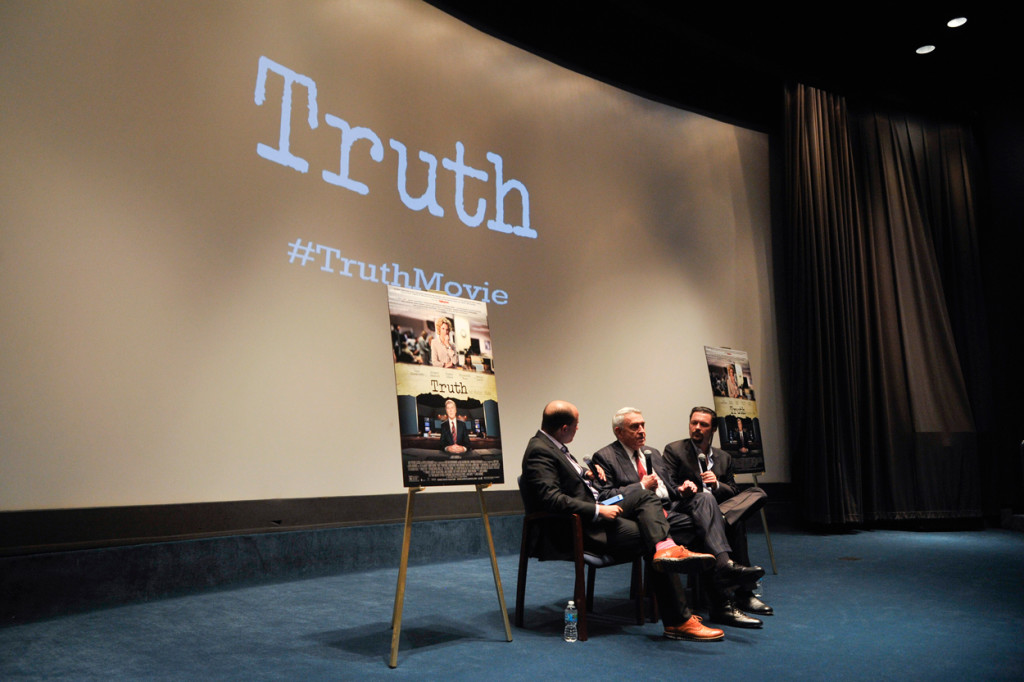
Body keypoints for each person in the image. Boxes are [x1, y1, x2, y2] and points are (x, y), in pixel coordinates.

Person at [520, 400, 725, 642]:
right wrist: (596, 509)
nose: (578, 429)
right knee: (653, 535)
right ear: (564, 428)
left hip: (594, 515)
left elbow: (568, 482)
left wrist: (587, 475)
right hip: (579, 527)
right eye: (576, 425)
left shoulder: (554, 446)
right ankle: (679, 619)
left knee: (645, 499)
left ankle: (665, 552)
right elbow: (550, 498)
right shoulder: (540, 450)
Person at [592, 407, 763, 629]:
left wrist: (683, 489)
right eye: (635, 427)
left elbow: (670, 488)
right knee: (709, 527)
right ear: (618, 432)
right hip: (644, 519)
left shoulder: (651, 452)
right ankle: (722, 603)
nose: (642, 431)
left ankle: (723, 565)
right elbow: (605, 499)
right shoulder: (604, 457)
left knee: (704, 499)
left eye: (643, 425)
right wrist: (640, 486)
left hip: (671, 509)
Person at [663, 406, 772, 616]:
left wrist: (716, 486)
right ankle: (745, 594)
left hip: (718, 507)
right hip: (688, 509)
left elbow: (733, 491)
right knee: (734, 520)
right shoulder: (674, 450)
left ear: (712, 429)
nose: (697, 428)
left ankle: (719, 518)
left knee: (758, 493)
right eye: (693, 423)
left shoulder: (724, 457)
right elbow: (667, 487)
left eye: (703, 425)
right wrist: (683, 489)